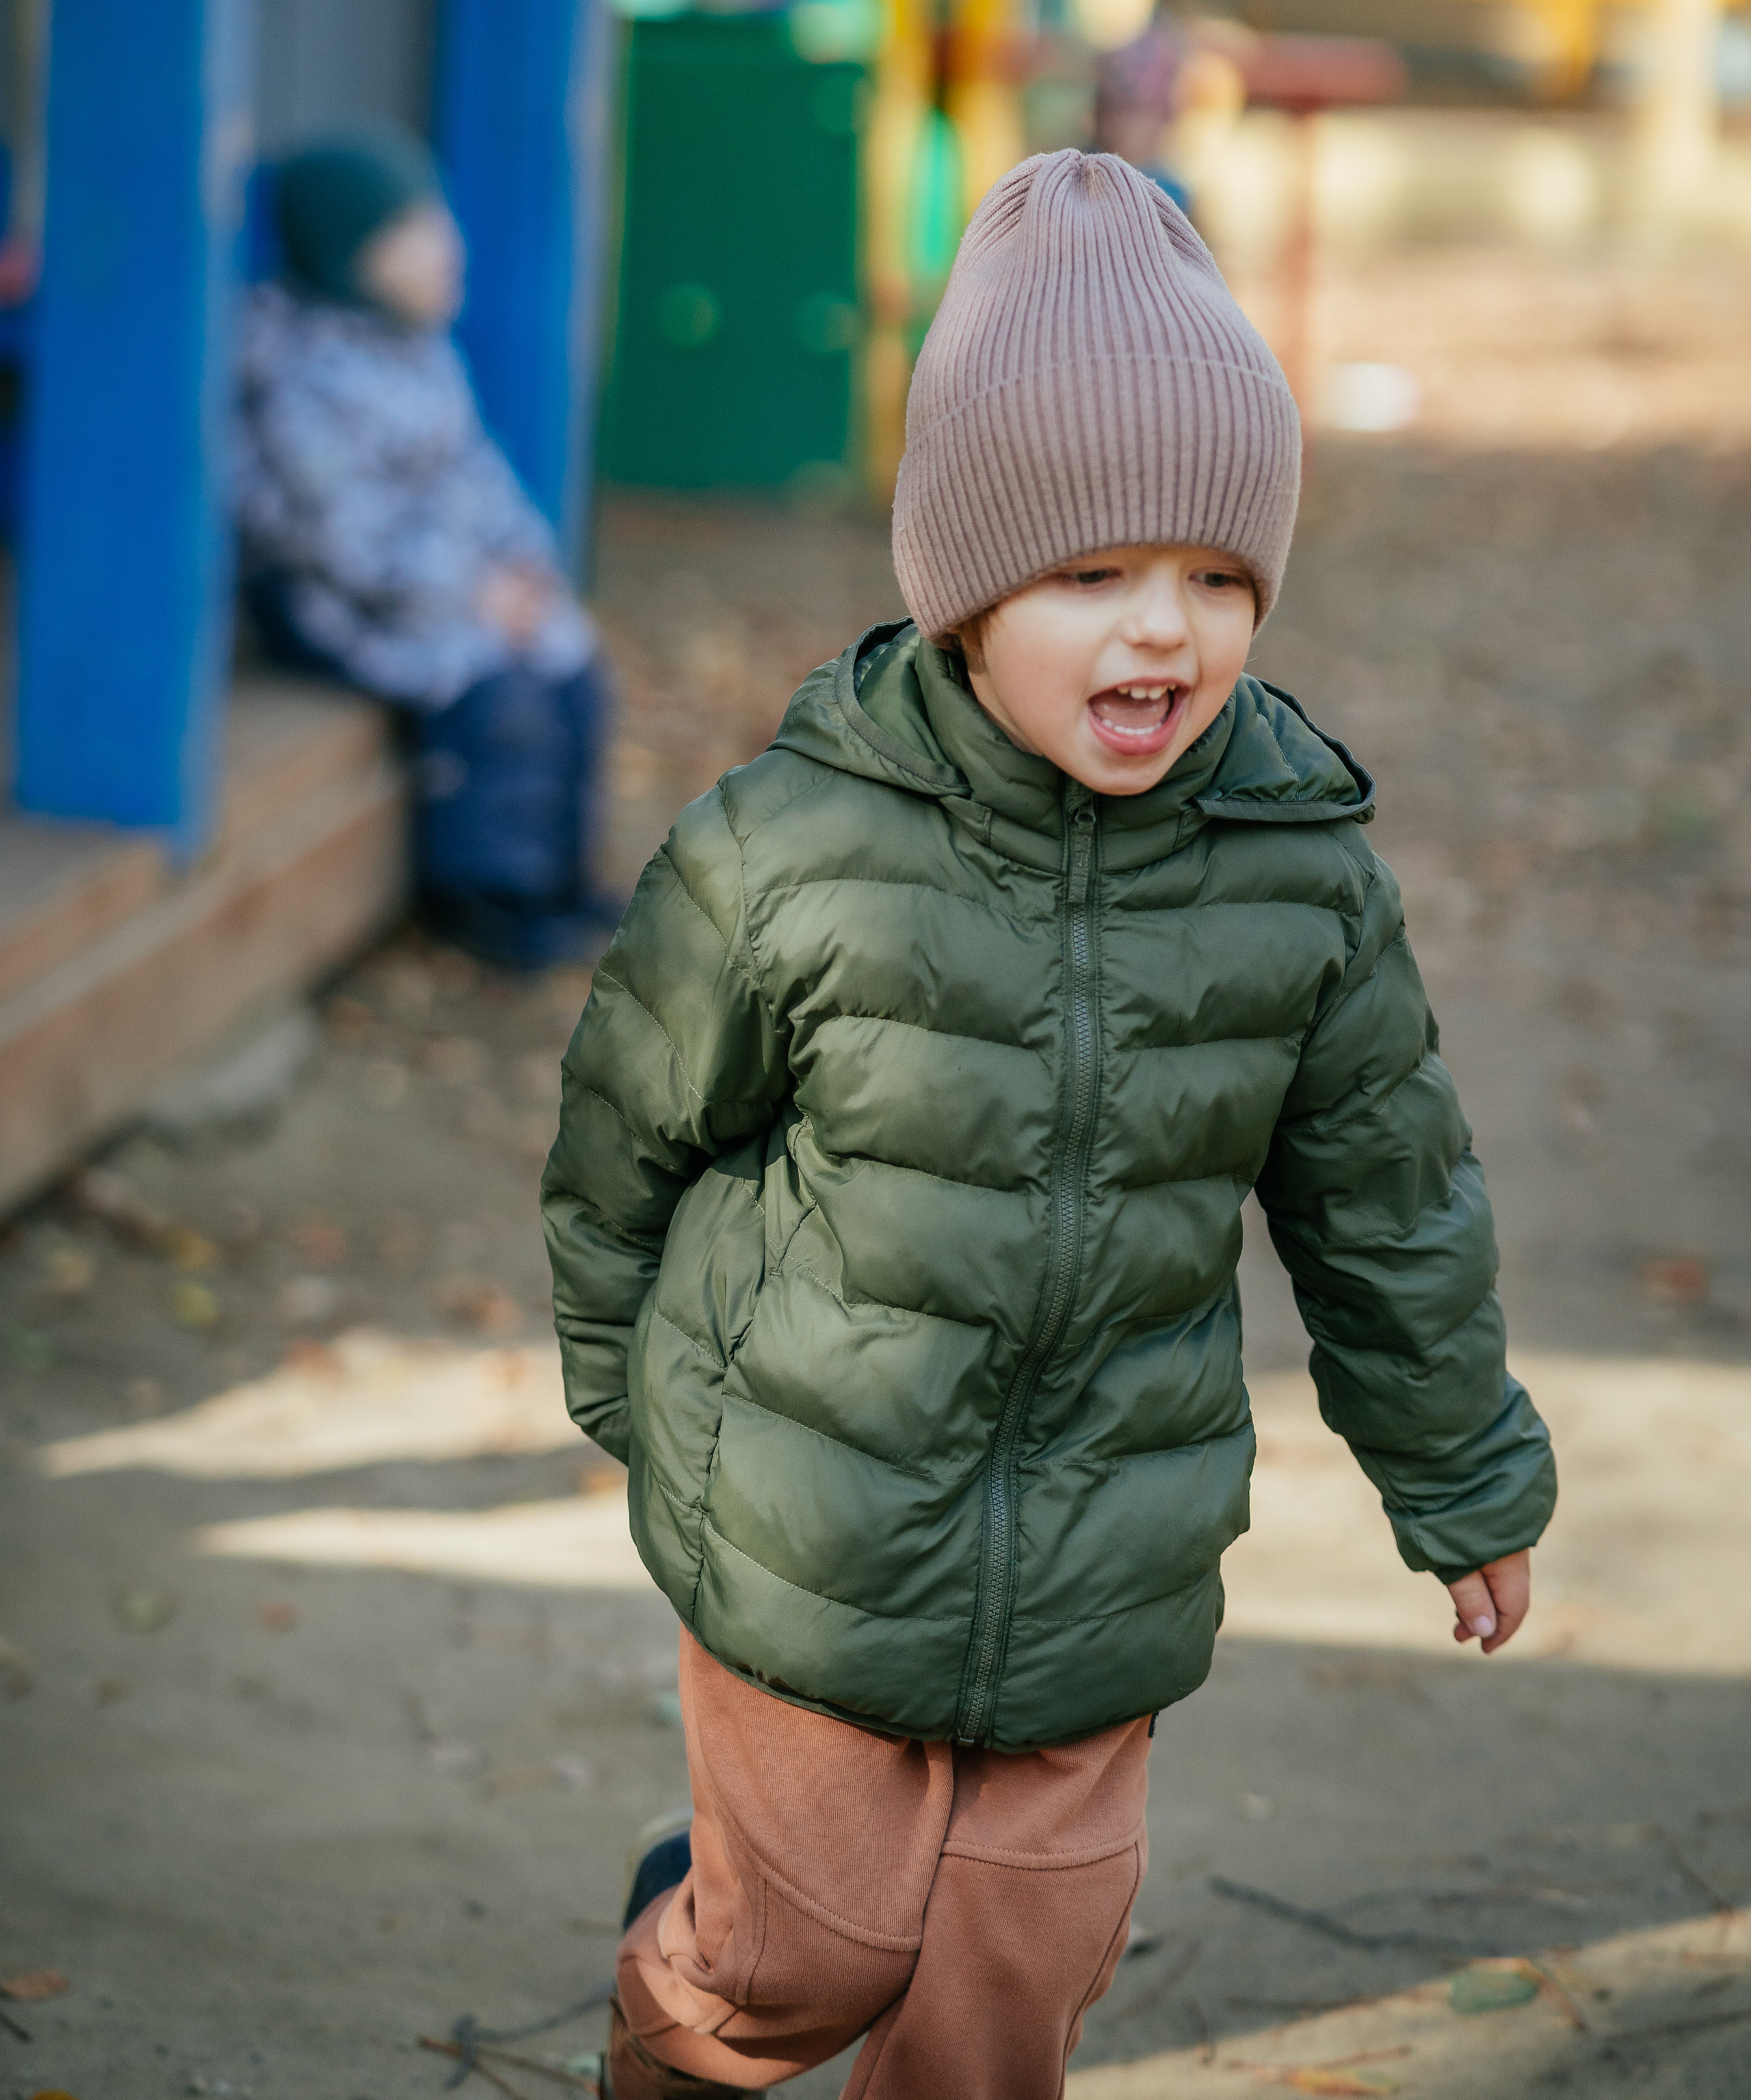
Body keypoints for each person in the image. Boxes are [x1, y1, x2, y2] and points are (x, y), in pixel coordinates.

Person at [541, 150, 1557, 2099]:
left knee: (1013, 1983)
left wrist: (1468, 1473)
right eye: (1092, 576)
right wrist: (630, 1389)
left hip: (1110, 1537)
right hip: (812, 1524)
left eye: (1217, 577)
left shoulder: (1295, 875)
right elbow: (630, 1139)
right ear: (966, 591)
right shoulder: (792, 851)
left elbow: (1388, 1204)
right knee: (806, 1957)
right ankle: (686, 2003)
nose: (1160, 633)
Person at [235, 122, 616, 970]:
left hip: (459, 583)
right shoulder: (306, 379)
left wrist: (521, 568)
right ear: (352, 257)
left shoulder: (422, 355)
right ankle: (487, 888)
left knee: (571, 664)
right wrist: (469, 595)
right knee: (495, 692)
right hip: (339, 602)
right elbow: (339, 540)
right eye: (417, 235)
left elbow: (478, 475)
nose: (449, 248)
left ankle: (558, 869)